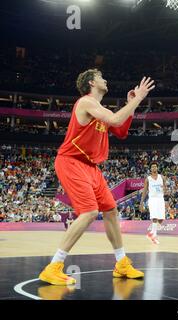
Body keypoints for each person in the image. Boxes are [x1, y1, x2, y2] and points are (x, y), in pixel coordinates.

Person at [38, 69, 154, 285]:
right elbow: (115, 119)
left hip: (91, 167)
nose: (106, 79)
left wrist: (131, 105)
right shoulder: (85, 102)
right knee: (90, 211)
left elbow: (121, 130)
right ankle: (53, 266)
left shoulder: (100, 109)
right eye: (101, 77)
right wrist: (137, 98)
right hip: (71, 161)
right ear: (92, 82)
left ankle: (121, 263)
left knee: (110, 211)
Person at [139, 162, 167, 244]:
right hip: (152, 199)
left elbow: (165, 189)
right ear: (150, 169)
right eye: (152, 167)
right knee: (154, 217)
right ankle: (154, 236)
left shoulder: (162, 177)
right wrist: (141, 203)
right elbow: (144, 192)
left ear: (157, 168)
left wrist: (164, 190)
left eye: (155, 167)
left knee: (161, 219)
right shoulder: (148, 179)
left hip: (160, 199)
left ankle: (151, 233)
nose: (154, 168)